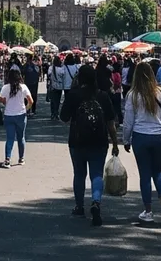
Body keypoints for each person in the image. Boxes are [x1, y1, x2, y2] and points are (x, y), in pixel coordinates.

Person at [61, 63, 119, 226]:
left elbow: (63, 117)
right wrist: (115, 142)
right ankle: (96, 201)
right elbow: (111, 122)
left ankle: (79, 206)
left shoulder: (74, 95)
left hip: (77, 140)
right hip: (99, 140)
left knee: (79, 174)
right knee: (97, 174)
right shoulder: (102, 95)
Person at [123, 61, 161, 224]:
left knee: (145, 175)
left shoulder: (133, 95)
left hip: (141, 136)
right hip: (159, 136)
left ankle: (148, 211)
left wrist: (126, 139)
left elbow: (128, 121)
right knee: (158, 172)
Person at [0, 68, 33, 167]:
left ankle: (7, 159)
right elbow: (31, 101)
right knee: (21, 137)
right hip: (21, 115)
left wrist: (5, 102)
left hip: (9, 115)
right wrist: (26, 108)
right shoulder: (23, 87)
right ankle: (21, 158)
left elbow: (0, 99)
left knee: (10, 138)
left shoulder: (5, 87)